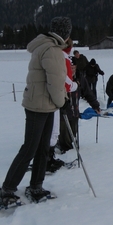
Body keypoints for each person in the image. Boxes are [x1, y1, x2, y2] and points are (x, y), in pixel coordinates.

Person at [0, 16, 72, 206]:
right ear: (65, 33)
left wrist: (58, 101)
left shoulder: (43, 45)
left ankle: (36, 186)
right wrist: (63, 102)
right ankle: (6, 190)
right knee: (30, 149)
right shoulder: (53, 50)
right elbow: (55, 83)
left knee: (42, 148)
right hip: (40, 106)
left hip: (43, 104)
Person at [55, 58, 101, 155]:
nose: (72, 70)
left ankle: (68, 145)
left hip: (74, 111)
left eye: (73, 67)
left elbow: (88, 93)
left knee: (73, 131)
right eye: (69, 67)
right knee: (64, 133)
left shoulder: (80, 78)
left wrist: (95, 105)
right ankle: (66, 151)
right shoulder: (60, 77)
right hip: (62, 111)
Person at [47, 38, 78, 173]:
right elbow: (66, 81)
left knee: (52, 131)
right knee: (53, 131)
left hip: (52, 97)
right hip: (56, 98)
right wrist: (75, 85)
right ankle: (47, 160)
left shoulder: (55, 55)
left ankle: (48, 158)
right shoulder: (63, 59)